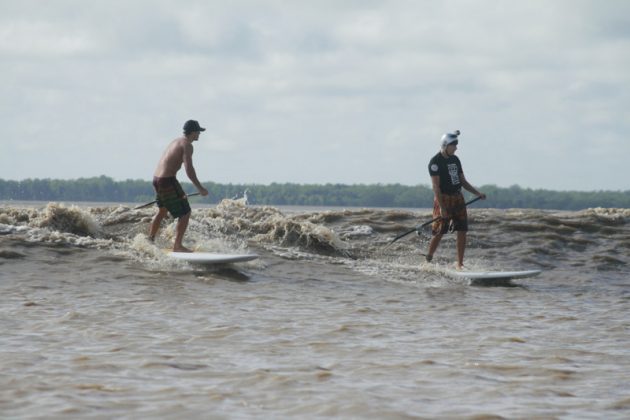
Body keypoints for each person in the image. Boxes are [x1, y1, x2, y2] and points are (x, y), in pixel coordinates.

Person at [426, 130, 486, 269]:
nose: (456, 148)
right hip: (443, 199)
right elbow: (436, 187)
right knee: (441, 231)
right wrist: (442, 208)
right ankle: (428, 259)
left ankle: (459, 264)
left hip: (458, 197)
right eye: (454, 145)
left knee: (462, 230)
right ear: (445, 145)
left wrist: (477, 193)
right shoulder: (435, 162)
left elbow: (463, 181)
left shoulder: (455, 159)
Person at [149, 120, 209, 252]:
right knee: (185, 212)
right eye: (198, 131)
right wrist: (200, 188)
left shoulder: (176, 141)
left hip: (156, 179)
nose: (199, 134)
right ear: (193, 132)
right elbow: (189, 169)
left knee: (163, 210)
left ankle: (150, 240)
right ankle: (178, 246)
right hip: (167, 180)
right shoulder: (187, 145)